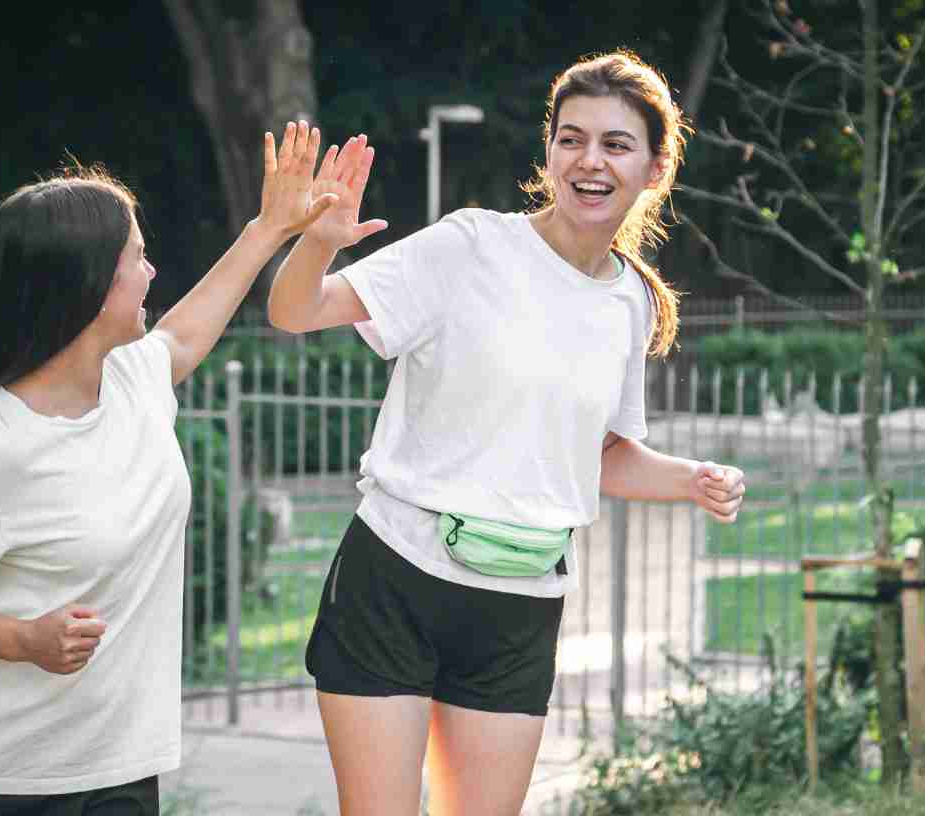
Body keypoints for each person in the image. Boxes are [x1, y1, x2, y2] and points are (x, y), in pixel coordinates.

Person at [268, 50, 748, 816]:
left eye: (615, 144)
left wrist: (688, 479)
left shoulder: (629, 301)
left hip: (520, 604)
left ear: (656, 168)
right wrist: (320, 239)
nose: (589, 161)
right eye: (570, 138)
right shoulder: (469, 246)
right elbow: (295, 311)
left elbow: (599, 456)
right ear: (548, 150)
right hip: (396, 579)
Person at [0, 121, 344, 815]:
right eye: (138, 257)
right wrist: (19, 639)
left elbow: (185, 334)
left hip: (115, 766)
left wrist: (268, 230)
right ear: (91, 283)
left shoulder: (129, 380)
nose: (152, 272)